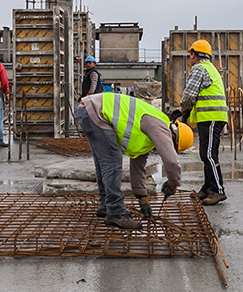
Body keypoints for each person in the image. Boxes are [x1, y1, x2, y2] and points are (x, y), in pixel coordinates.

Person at [77, 92, 192, 229]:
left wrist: (142, 198)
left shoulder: (148, 135)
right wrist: (174, 183)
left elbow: (138, 166)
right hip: (96, 111)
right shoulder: (160, 126)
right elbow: (172, 162)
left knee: (104, 165)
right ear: (173, 137)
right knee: (112, 164)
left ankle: (106, 207)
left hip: (89, 110)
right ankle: (115, 213)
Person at [178, 39, 229, 206]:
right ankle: (208, 187)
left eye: (190, 54)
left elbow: (189, 94)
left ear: (194, 54)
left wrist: (183, 109)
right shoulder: (210, 68)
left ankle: (218, 190)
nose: (190, 58)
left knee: (209, 155)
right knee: (205, 154)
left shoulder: (199, 69)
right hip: (210, 117)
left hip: (211, 117)